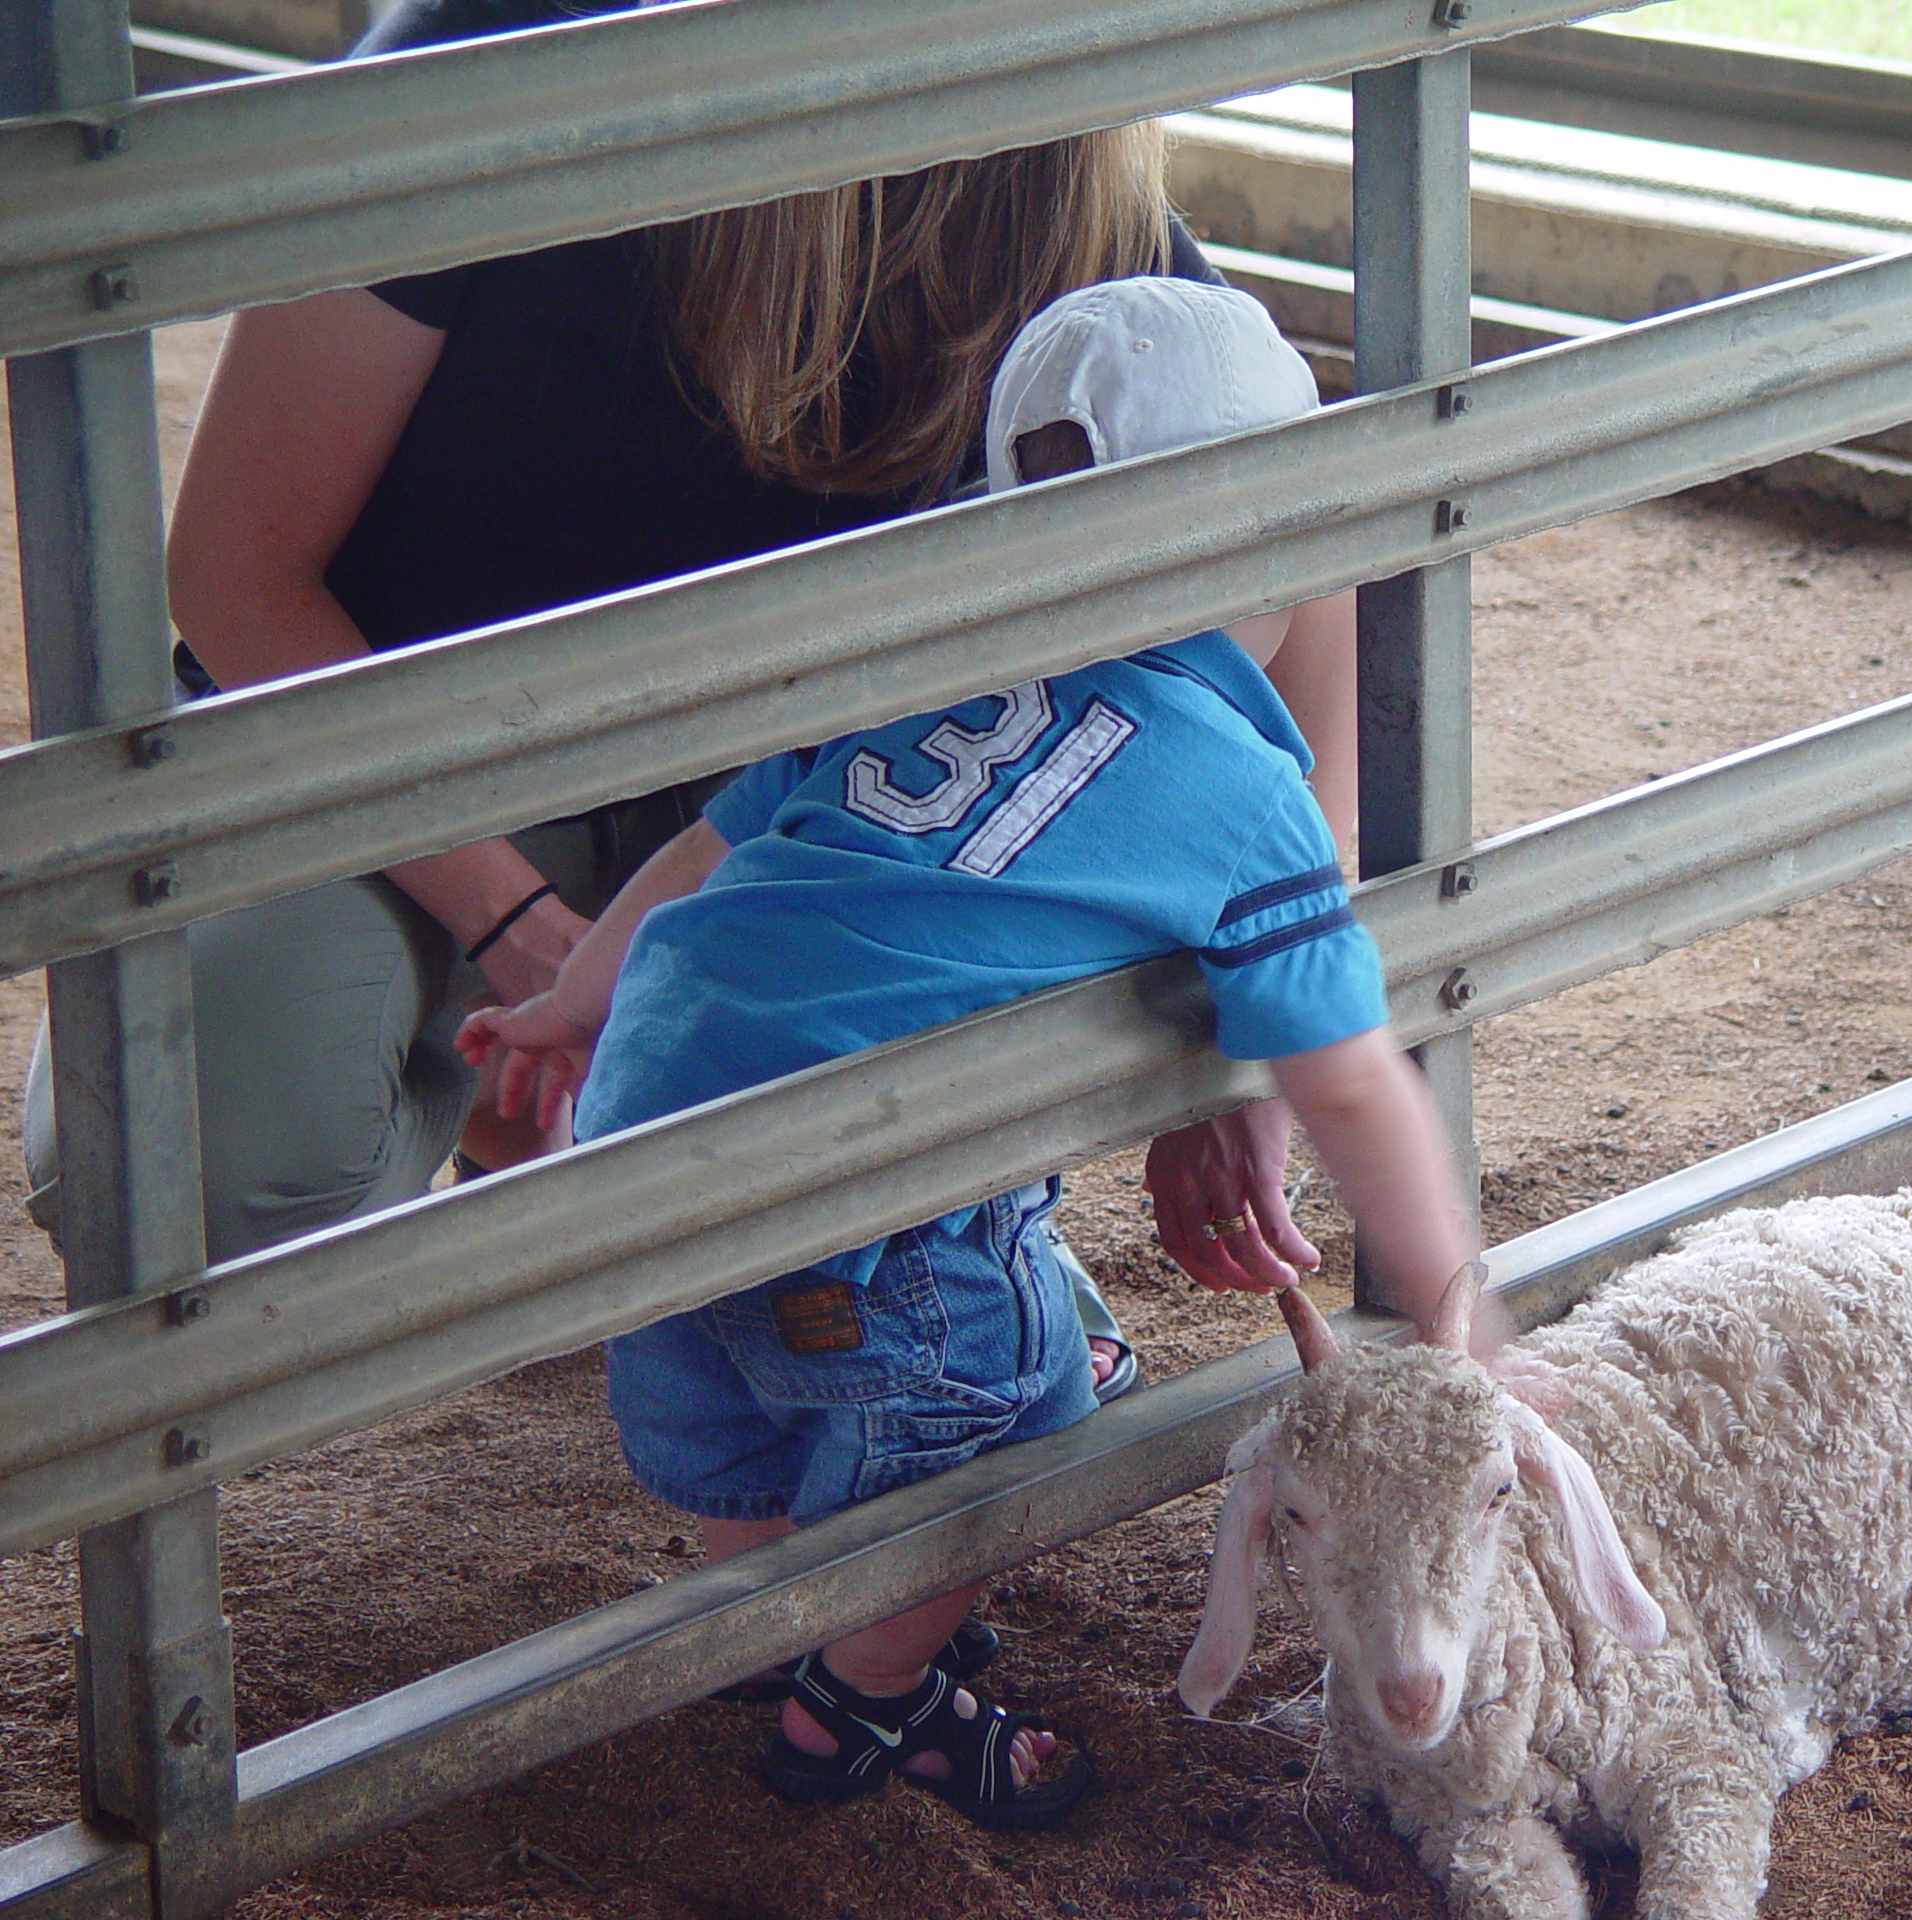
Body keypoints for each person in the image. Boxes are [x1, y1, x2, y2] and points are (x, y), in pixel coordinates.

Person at [18, 0, 1357, 1401]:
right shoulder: (495, 52)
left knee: (1101, 784)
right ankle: (563, 1136)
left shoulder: (1056, 148)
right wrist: (529, 937)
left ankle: (924, 1242)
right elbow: (238, 577)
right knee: (188, 1170)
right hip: (403, 778)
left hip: (798, 811)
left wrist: (1246, 1042)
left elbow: (1300, 569)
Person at [455, 277, 1477, 1830]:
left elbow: (704, 849)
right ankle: (863, 1702)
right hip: (879, 1230)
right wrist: (1452, 1290)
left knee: (746, 1418)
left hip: (640, 1143)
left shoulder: (914, 659)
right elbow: (1345, 1077)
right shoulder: (1236, 785)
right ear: (1270, 537)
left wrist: (568, 1003)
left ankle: (796, 1623)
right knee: (1014, 1413)